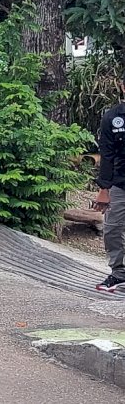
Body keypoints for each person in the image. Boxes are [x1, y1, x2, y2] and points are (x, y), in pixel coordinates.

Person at [93, 77, 125, 292]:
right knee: (112, 230)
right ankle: (119, 274)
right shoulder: (112, 118)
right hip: (119, 184)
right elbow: (107, 154)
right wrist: (104, 189)